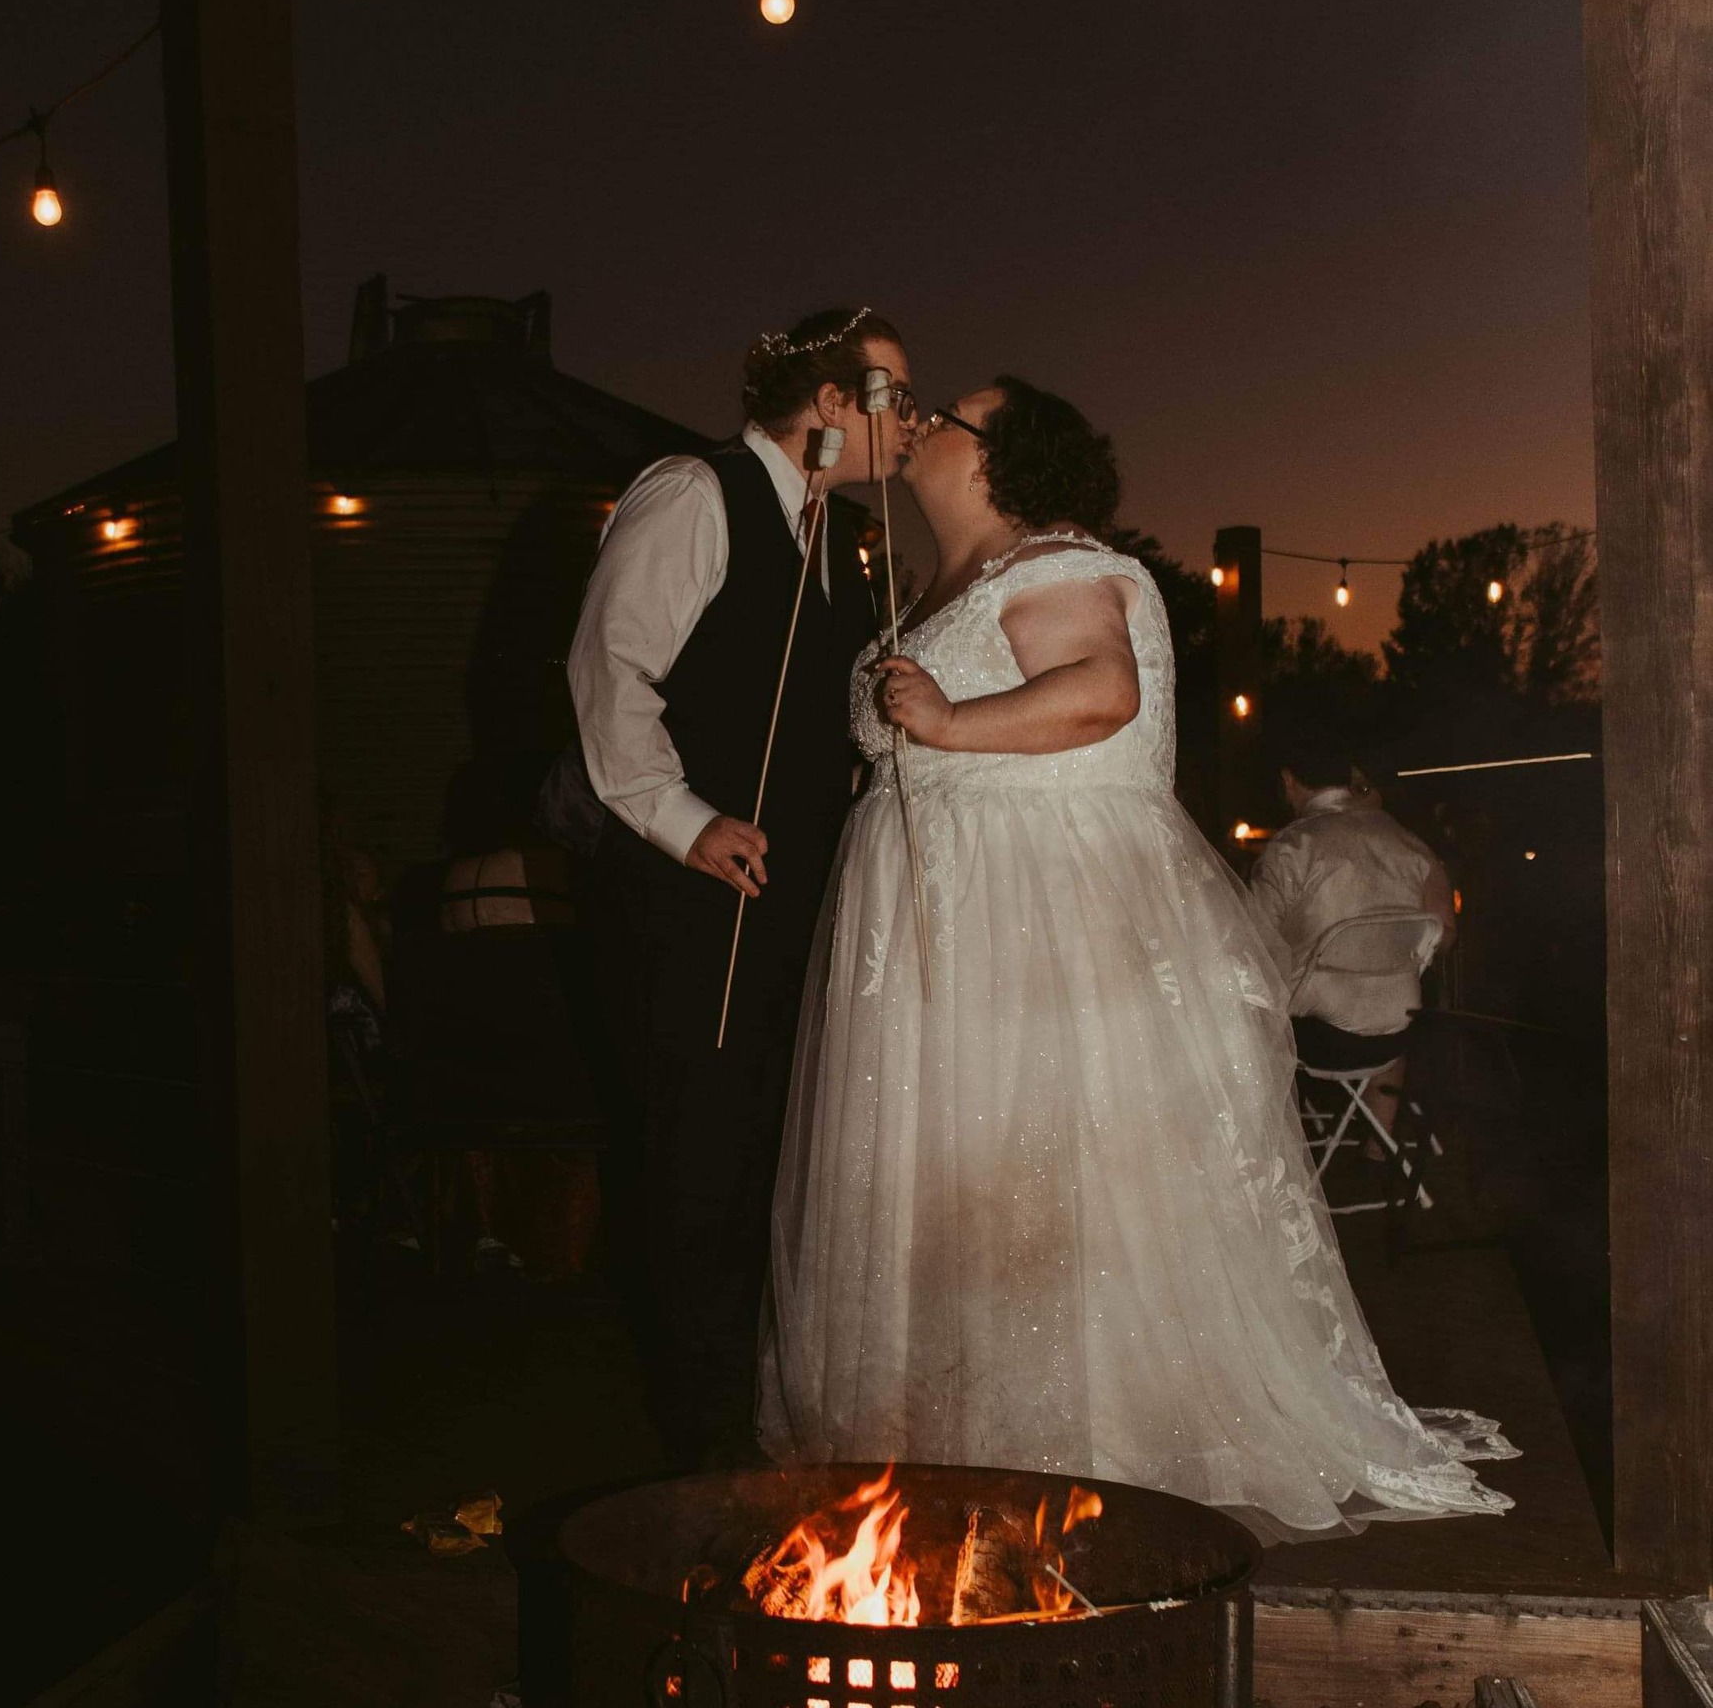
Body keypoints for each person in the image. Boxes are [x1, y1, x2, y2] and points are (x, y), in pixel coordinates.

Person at [758, 379, 1515, 1540]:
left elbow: (1100, 692)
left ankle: (1077, 1437)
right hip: (938, 915)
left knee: (1042, 1164)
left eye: (947, 415)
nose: (919, 425)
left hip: (1028, 917)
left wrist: (951, 724)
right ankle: (955, 1432)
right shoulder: (948, 579)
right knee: (957, 1171)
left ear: (1000, 458)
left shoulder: (1048, 559)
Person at [567, 307, 912, 1466]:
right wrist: (685, 818)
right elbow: (609, 669)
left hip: (798, 896)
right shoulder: (693, 491)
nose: (905, 420)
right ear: (827, 403)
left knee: (777, 1152)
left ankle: (762, 1420)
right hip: (694, 892)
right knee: (700, 1162)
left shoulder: (838, 535)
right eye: (889, 395)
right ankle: (699, 1445)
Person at [1249, 730, 1456, 1142]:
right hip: (1398, 1035)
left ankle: (1267, 1144)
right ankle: (1380, 1147)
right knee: (1394, 992)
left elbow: (1251, 943)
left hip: (1316, 1039)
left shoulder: (1293, 847)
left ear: (1289, 780)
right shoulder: (1410, 844)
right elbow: (1444, 933)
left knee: (1247, 1005)